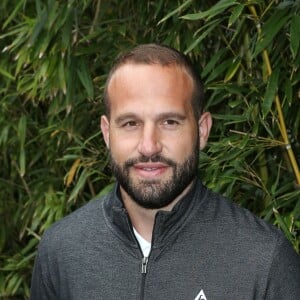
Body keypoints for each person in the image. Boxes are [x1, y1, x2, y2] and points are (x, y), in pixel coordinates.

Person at [30, 44, 300, 299]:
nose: (149, 146)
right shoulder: (62, 252)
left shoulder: (264, 260)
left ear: (202, 130)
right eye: (130, 123)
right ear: (106, 132)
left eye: (170, 122)